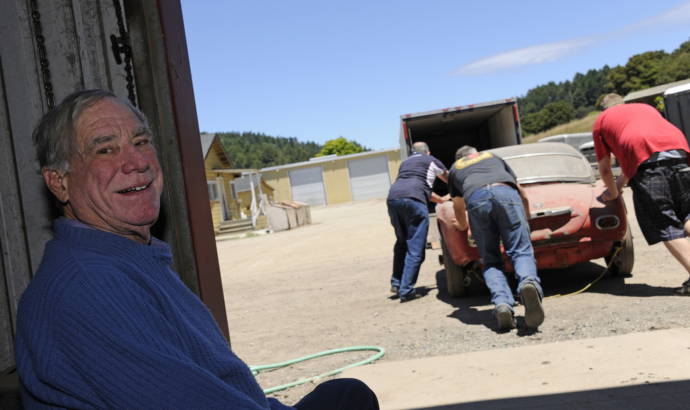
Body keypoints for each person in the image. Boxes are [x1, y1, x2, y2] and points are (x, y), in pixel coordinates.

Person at [14, 89, 379, 409]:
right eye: (105, 149)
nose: (137, 162)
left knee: (348, 394)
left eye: (141, 142)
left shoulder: (123, 259)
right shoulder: (89, 289)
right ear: (59, 183)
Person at [593, 102, 690, 296]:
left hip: (649, 167)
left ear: (604, 109)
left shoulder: (602, 121)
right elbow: (636, 160)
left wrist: (612, 193)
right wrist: (619, 187)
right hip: (680, 155)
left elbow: (605, 169)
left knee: (667, 225)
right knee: (687, 215)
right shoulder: (645, 108)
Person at [448, 146, 544, 331]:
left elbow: (458, 207)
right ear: (475, 153)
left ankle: (502, 304)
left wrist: (462, 226)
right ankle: (528, 283)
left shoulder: (455, 167)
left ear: (460, 157)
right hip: (506, 193)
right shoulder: (492, 156)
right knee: (521, 250)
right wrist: (527, 214)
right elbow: (521, 190)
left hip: (476, 199)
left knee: (490, 259)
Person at [387, 141, 449, 302]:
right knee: (416, 247)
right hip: (414, 202)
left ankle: (397, 282)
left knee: (402, 242)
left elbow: (420, 188)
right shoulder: (431, 160)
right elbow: (450, 179)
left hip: (393, 199)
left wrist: (441, 200)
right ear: (428, 152)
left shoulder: (405, 163)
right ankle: (406, 290)